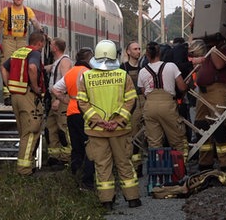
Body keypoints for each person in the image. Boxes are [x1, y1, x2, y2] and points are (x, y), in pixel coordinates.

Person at [77, 40, 141, 211]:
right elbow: (131, 101)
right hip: (119, 130)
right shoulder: (122, 75)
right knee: (124, 164)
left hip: (96, 131)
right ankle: (133, 198)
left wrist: (99, 121)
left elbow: (82, 104)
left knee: (102, 167)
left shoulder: (86, 77)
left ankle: (107, 201)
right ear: (115, 55)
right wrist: (118, 121)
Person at [0, 31, 47, 175]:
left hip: (15, 96)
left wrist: (9, 86)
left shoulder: (18, 52)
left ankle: (27, 164)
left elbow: (3, 67)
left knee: (23, 131)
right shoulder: (35, 53)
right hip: (28, 96)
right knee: (31, 130)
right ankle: (24, 169)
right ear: (39, 43)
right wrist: (34, 87)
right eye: (43, 44)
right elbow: (32, 68)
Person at [52, 47, 95, 190]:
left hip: (71, 113)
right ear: (90, 59)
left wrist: (66, 99)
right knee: (89, 146)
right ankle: (87, 180)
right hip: (86, 113)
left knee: (76, 148)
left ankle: (75, 175)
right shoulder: (89, 73)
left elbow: (55, 89)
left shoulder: (70, 73)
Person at [137, 42, 189, 159]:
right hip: (168, 106)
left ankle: (158, 172)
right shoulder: (171, 66)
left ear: (147, 54)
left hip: (150, 107)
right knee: (177, 140)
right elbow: (181, 87)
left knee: (154, 143)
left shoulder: (142, 71)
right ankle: (179, 170)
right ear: (159, 53)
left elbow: (143, 91)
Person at [190, 37, 226, 172]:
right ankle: (205, 163)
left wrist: (212, 48)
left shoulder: (224, 50)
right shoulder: (205, 51)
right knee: (201, 126)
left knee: (219, 127)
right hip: (203, 92)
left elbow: (219, 65)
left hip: (217, 90)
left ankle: (225, 164)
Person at [0, 0, 43, 104]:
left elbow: (35, 22)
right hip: (9, 40)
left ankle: (21, 93)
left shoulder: (28, 11)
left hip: (22, 40)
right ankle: (7, 94)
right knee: (6, 66)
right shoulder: (6, 11)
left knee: (22, 66)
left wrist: (41, 31)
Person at [44, 37, 72, 168]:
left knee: (63, 129)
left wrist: (59, 98)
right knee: (51, 128)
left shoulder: (65, 62)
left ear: (55, 48)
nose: (49, 47)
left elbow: (67, 81)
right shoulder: (58, 62)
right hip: (54, 98)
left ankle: (65, 158)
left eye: (51, 45)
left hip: (60, 100)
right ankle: (54, 156)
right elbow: (49, 68)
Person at [119, 41, 145, 177]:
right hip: (131, 104)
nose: (138, 51)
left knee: (145, 134)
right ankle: (136, 166)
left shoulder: (144, 67)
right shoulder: (122, 68)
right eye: (135, 49)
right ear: (128, 52)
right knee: (134, 134)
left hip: (144, 101)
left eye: (139, 49)